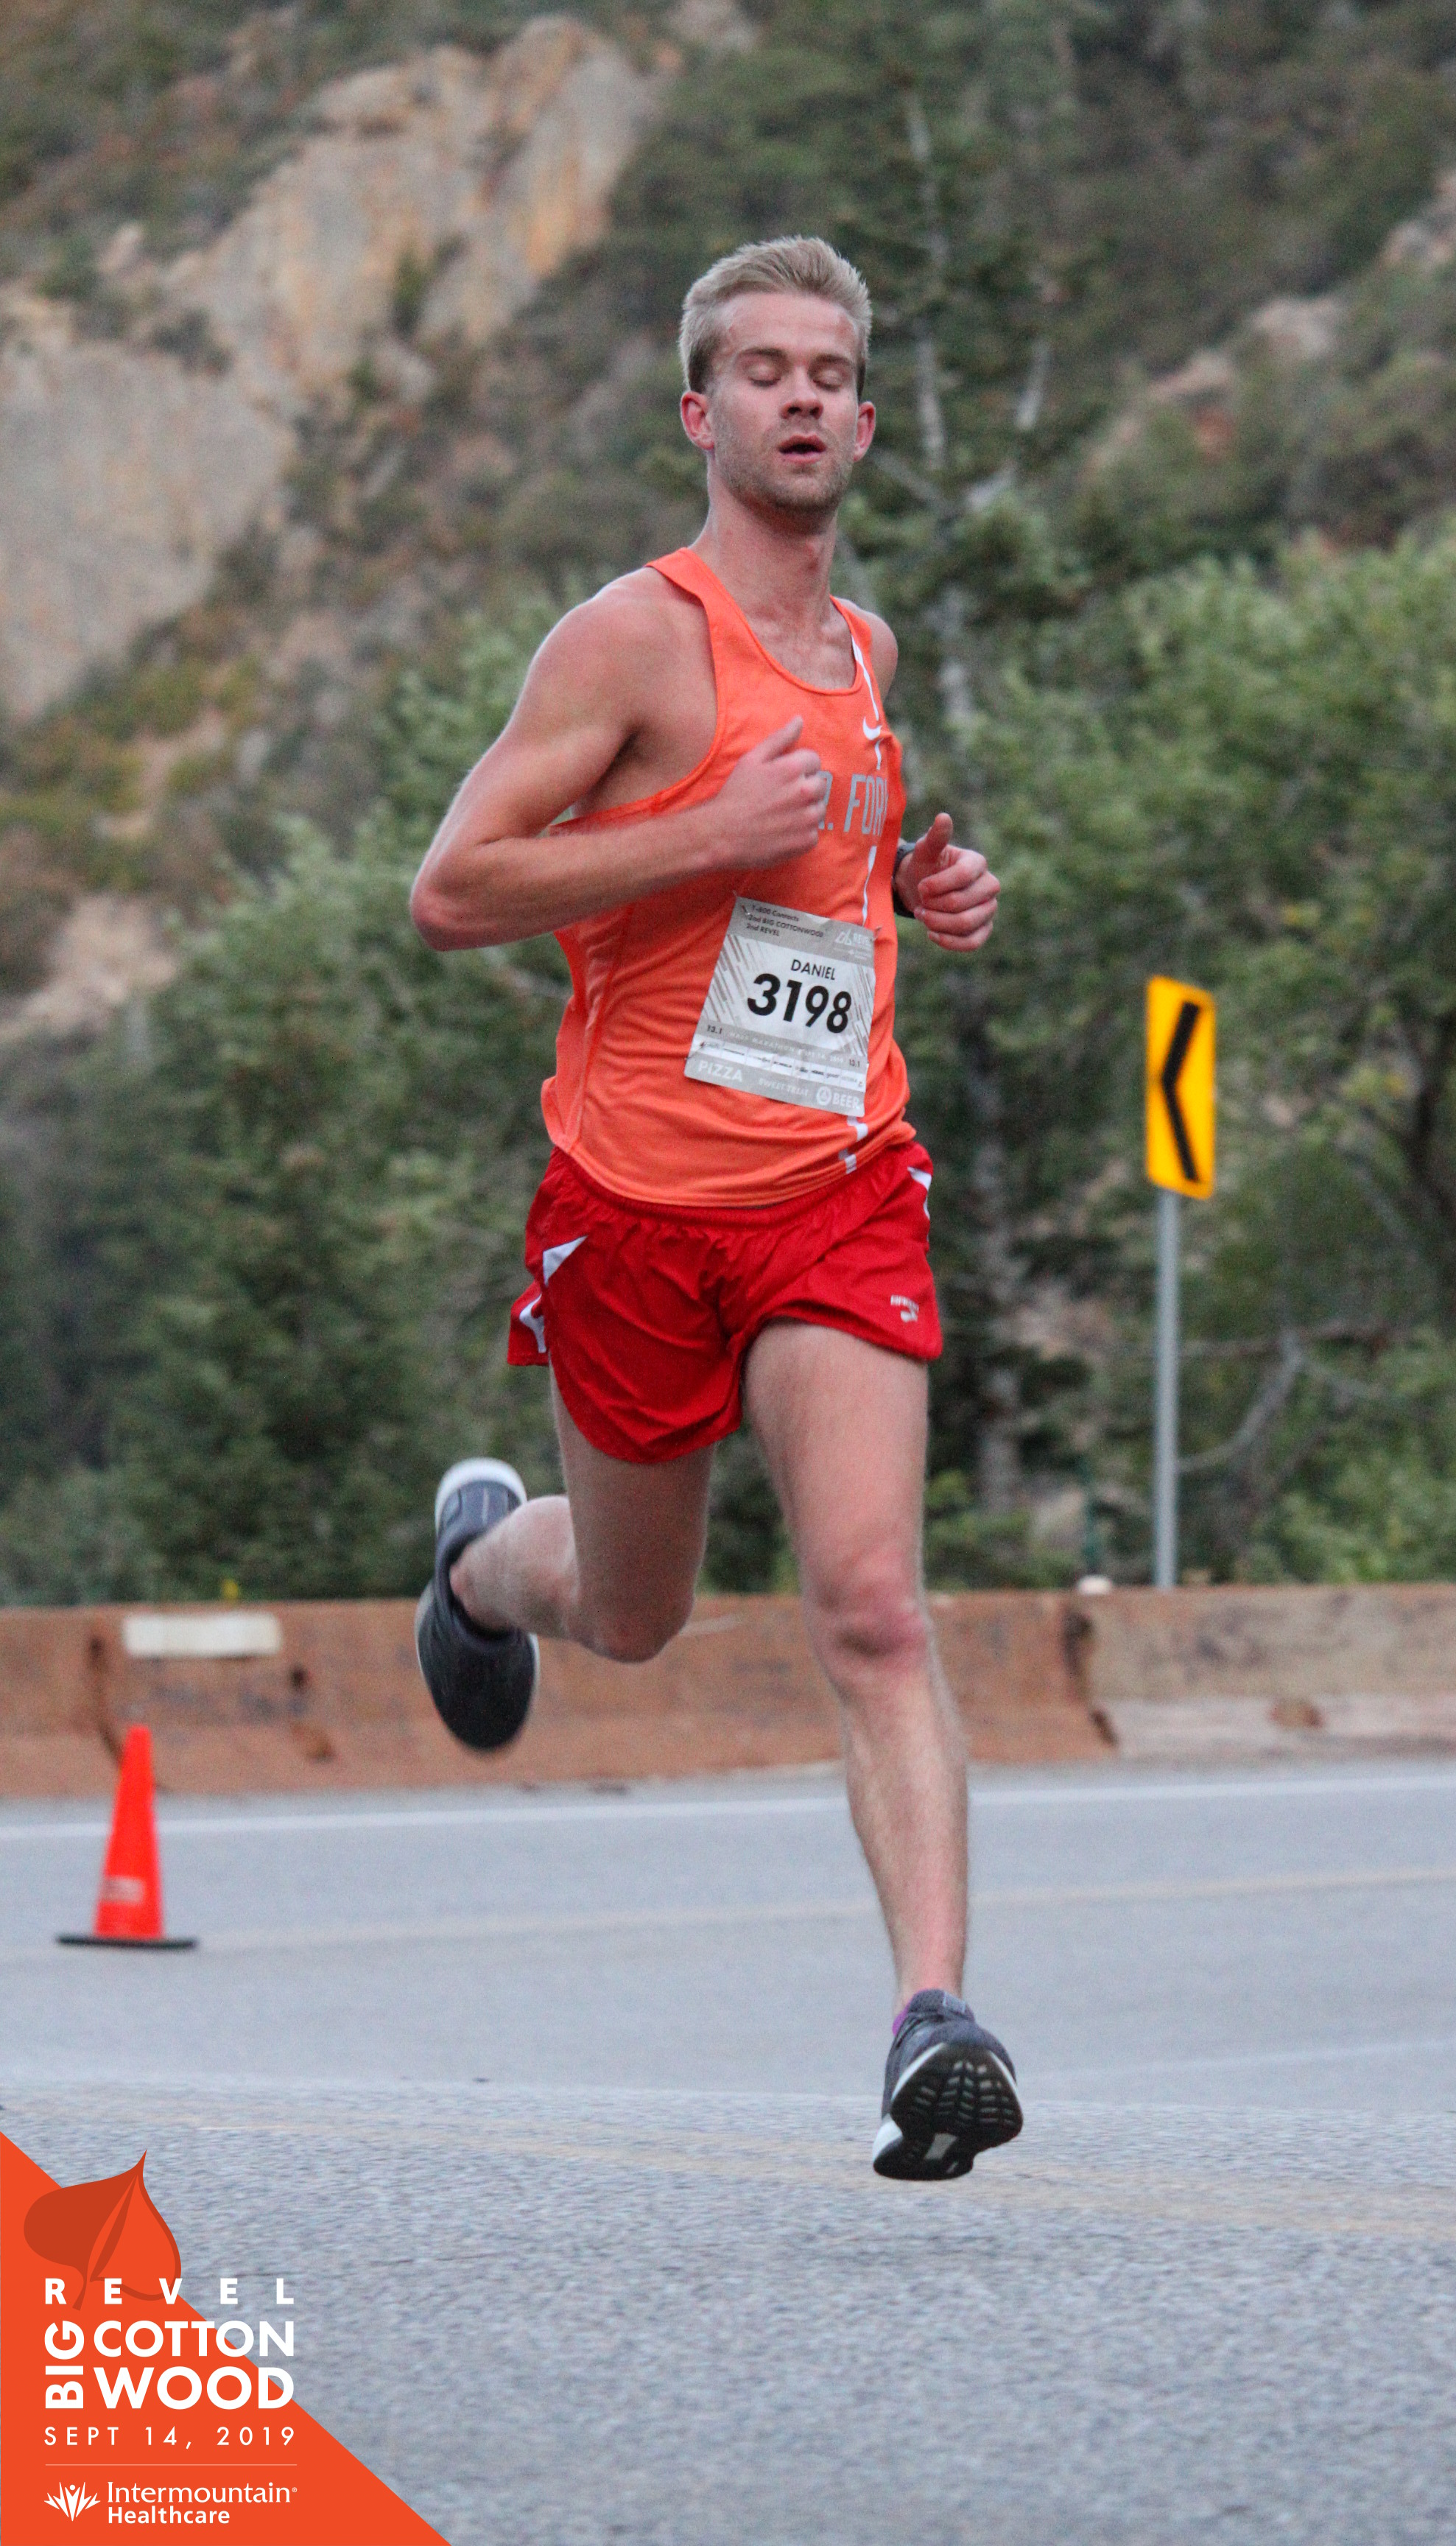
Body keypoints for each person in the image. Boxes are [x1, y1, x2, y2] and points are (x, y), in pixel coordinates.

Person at [408, 235, 1021, 2181]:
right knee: (634, 1615)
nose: (802, 397)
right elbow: (453, 889)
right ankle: (483, 1566)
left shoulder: (868, 657)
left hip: (837, 1192)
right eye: (764, 370)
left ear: (867, 418)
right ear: (701, 412)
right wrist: (702, 834)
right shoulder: (627, 644)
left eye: (831, 372)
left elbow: (810, 880)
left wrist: (909, 891)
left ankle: (934, 2022)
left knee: (872, 1606)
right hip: (636, 1211)